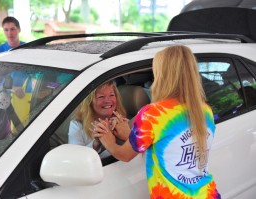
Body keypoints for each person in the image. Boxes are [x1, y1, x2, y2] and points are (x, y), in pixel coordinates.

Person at [93, 46, 221, 198]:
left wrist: (108, 140)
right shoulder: (205, 110)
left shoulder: (153, 114)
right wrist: (131, 135)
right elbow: (168, 147)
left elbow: (124, 155)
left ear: (162, 74)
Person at [68, 81, 129, 158]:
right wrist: (96, 143)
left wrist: (126, 135)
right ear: (89, 102)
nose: (108, 100)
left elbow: (139, 151)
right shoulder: (77, 125)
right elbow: (75, 159)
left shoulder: (125, 124)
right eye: (101, 97)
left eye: (111, 95)